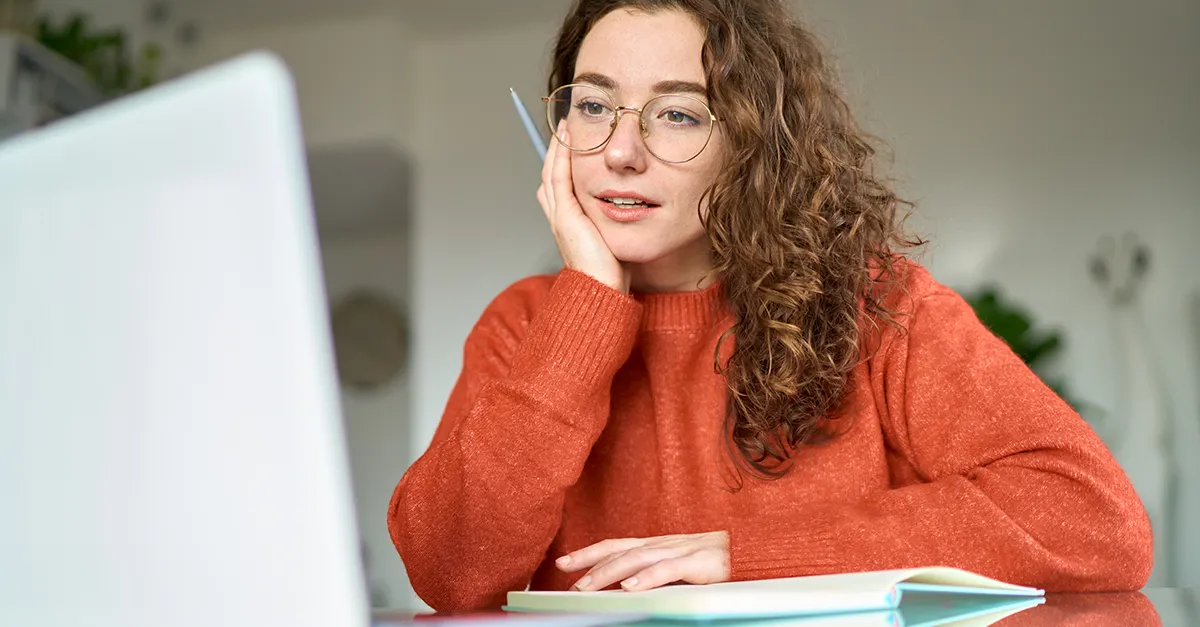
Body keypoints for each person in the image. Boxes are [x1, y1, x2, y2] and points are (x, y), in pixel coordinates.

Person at [387, 0, 1152, 611]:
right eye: (594, 106)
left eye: (678, 113)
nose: (621, 150)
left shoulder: (879, 305)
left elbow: (1092, 515)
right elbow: (450, 570)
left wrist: (744, 554)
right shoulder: (526, 322)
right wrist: (587, 303)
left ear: (752, 144)